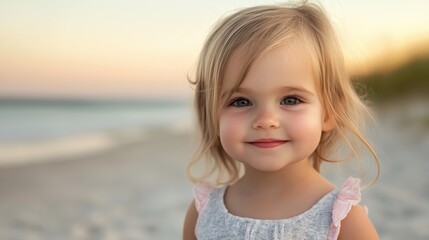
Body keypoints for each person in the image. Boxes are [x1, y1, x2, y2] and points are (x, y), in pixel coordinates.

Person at [183, 1, 380, 239]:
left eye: (290, 100)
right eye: (241, 102)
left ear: (329, 112)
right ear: (212, 115)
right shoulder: (203, 213)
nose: (266, 120)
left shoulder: (341, 220)